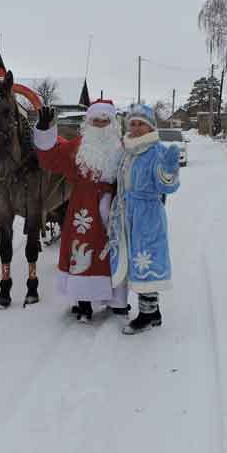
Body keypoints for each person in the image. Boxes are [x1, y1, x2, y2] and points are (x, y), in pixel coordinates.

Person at [33, 99, 128, 323]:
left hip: (115, 207)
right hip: (84, 208)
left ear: (113, 122)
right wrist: (45, 131)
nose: (101, 123)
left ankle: (117, 301)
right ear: (89, 121)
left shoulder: (123, 147)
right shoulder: (78, 146)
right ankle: (84, 303)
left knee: (115, 252)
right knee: (82, 252)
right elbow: (53, 157)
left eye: (105, 120)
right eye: (97, 119)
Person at [107, 104, 181, 335]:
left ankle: (147, 315)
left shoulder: (156, 151)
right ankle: (154, 313)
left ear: (150, 126)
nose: (136, 128)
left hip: (147, 214)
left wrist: (169, 172)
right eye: (133, 123)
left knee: (145, 260)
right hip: (126, 213)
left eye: (141, 123)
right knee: (133, 259)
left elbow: (166, 187)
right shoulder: (128, 150)